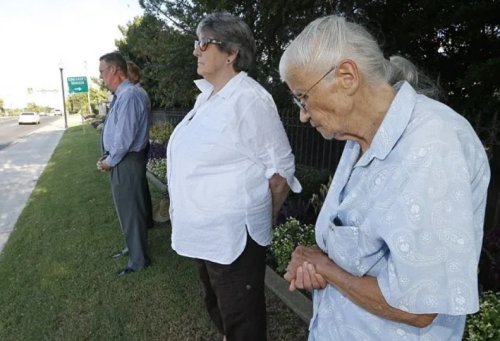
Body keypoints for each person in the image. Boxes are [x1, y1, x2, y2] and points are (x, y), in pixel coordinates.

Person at [279, 15, 490, 340]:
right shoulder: (359, 139)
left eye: (303, 97)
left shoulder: (432, 146)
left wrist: (326, 269)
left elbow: (418, 309)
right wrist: (320, 263)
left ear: (347, 76)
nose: (303, 114)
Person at [166, 12, 301, 341]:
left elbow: (281, 171)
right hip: (205, 234)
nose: (196, 50)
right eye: (197, 42)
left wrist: (260, 218)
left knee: (243, 320)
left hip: (233, 238)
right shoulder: (206, 97)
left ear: (231, 53)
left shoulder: (250, 99)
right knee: (218, 307)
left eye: (204, 43)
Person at [97, 52, 153, 277]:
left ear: (113, 70)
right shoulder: (123, 94)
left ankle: (138, 261)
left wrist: (109, 161)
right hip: (123, 159)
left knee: (131, 211)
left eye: (102, 71)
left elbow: (124, 138)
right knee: (128, 210)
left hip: (125, 160)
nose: (101, 77)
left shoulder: (129, 95)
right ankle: (133, 248)